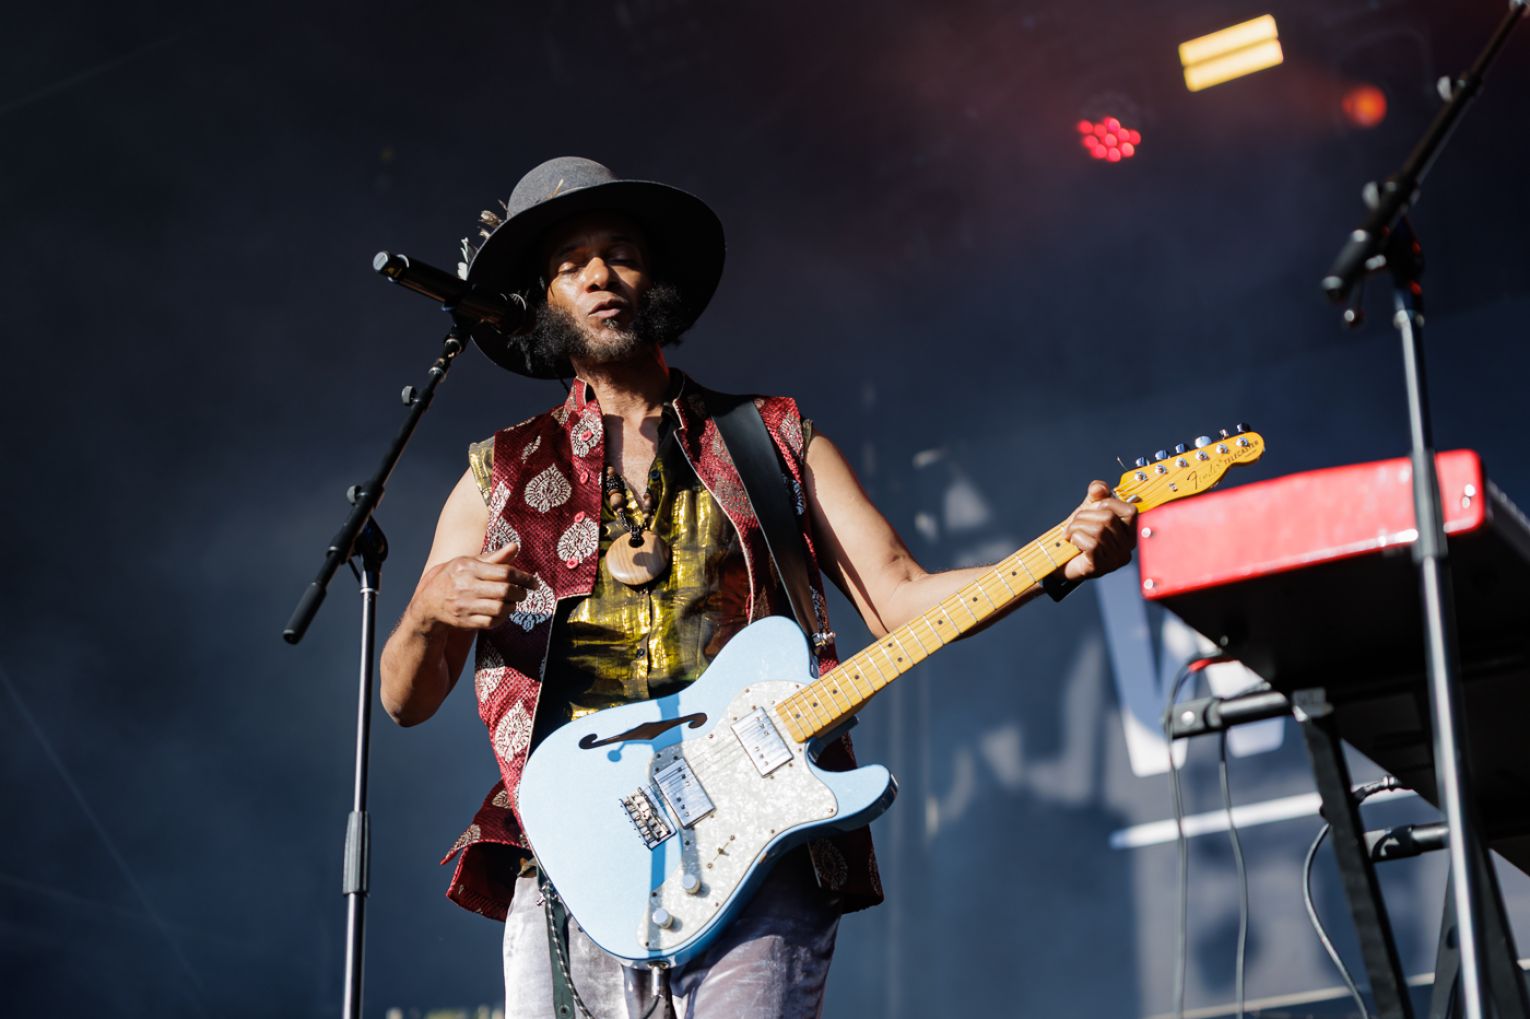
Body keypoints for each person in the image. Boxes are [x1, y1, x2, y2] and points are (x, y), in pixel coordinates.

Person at [378, 157, 1138, 1019]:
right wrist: (424, 610)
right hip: (572, 855)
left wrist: (1057, 562)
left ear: (654, 277)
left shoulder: (772, 437)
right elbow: (405, 700)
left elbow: (899, 596)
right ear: (543, 297)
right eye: (570, 263)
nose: (599, 275)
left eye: (620, 253)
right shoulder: (497, 475)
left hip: (758, 831)